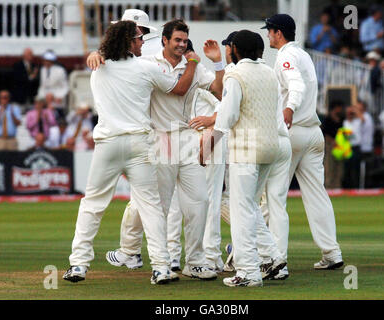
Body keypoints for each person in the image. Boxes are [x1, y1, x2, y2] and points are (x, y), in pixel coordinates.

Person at [63, 20, 200, 285]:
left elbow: (103, 57)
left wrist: (98, 53)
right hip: (139, 144)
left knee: (92, 205)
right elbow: (180, 88)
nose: (141, 43)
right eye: (138, 39)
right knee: (150, 207)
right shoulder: (146, 67)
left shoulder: (98, 67)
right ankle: (160, 267)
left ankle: (78, 265)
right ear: (128, 41)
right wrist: (192, 63)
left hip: (109, 144)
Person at [88, 18, 224, 280]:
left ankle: (194, 261)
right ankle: (162, 262)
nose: (182, 45)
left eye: (185, 41)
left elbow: (219, 91)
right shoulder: (147, 63)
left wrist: (217, 63)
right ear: (164, 40)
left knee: (199, 201)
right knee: (159, 207)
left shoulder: (192, 64)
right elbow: (115, 60)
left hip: (185, 138)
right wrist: (96, 53)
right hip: (159, 138)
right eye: (177, 40)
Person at [200, 30, 287, 287]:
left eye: (231, 48)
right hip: (271, 147)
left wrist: (210, 140)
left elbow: (227, 116)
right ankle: (274, 258)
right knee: (249, 207)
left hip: (247, 149)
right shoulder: (269, 71)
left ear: (236, 49)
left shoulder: (235, 75)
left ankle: (248, 272)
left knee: (240, 211)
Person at [261, 14, 343, 272]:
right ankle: (332, 253)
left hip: (293, 131)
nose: (267, 36)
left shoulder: (286, 56)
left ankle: (269, 257)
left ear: (278, 33)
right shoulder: (304, 54)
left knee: (272, 197)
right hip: (313, 133)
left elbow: (295, 85)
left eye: (270, 31)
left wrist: (289, 109)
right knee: (317, 195)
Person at [36, 50, 69, 118]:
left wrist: (58, 96)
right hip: (45, 100)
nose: (45, 62)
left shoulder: (60, 70)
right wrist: (41, 97)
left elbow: (65, 87)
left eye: (46, 60)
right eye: (44, 60)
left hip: (57, 99)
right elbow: (42, 86)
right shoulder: (43, 70)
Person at [321, 101, 345, 189]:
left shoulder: (341, 118)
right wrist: (333, 141)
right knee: (329, 167)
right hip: (330, 145)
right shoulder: (327, 119)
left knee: (339, 168)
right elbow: (325, 133)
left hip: (339, 145)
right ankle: (329, 186)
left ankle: (337, 186)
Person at [342, 105, 362, 188]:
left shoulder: (358, 121)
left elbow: (362, 118)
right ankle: (347, 187)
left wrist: (355, 110)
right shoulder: (345, 122)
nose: (350, 114)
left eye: (351, 113)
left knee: (356, 168)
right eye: (348, 113)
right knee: (347, 169)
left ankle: (356, 187)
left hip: (356, 147)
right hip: (348, 148)